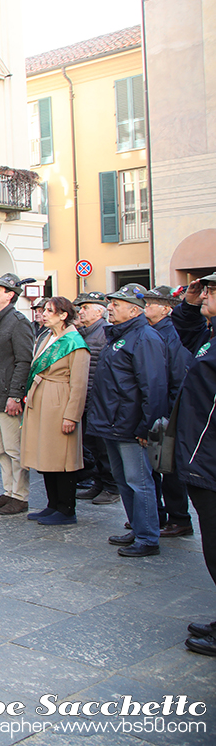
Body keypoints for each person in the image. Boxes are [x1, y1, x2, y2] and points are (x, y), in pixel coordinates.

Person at [86, 284, 170, 558]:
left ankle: (148, 537)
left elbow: (153, 387)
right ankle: (137, 528)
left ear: (135, 310)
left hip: (131, 426)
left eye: (117, 304)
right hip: (113, 424)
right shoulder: (120, 335)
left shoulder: (145, 338)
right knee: (124, 481)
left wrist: (146, 427)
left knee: (139, 482)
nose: (110, 308)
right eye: (110, 303)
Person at [20, 298, 91, 525]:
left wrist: (72, 415)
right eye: (44, 310)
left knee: (62, 457)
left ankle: (67, 508)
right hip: (42, 399)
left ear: (63, 315)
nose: (44, 314)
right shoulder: (47, 337)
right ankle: (52, 505)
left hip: (60, 401)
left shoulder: (74, 342)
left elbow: (79, 384)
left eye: (50, 311)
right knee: (46, 454)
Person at [175, 280, 216, 656]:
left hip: (210, 459)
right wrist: (189, 303)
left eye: (211, 293)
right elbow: (188, 334)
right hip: (201, 455)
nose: (205, 296)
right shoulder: (211, 335)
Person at [0, 273, 36, 517]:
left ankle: (20, 496)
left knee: (14, 450)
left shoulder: (18, 321)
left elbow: (24, 360)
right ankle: (8, 490)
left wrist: (15, 395)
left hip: (7, 395)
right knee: (0, 449)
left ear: (11, 294)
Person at [144, 285, 196, 537]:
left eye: (150, 303)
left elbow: (176, 375)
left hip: (170, 409)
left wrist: (170, 414)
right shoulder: (154, 331)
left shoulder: (171, 334)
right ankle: (159, 514)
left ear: (166, 309)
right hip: (161, 406)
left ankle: (179, 517)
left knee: (169, 465)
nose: (146, 307)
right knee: (157, 464)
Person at [74, 292, 117, 505]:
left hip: (97, 398)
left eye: (85, 308)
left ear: (99, 311)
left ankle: (111, 487)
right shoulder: (85, 332)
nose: (81, 312)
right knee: (91, 444)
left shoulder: (103, 333)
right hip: (86, 397)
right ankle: (99, 483)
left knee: (103, 447)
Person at [173, 272, 216, 354]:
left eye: (212, 290)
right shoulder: (210, 333)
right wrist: (191, 307)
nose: (202, 296)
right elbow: (190, 339)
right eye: (206, 290)